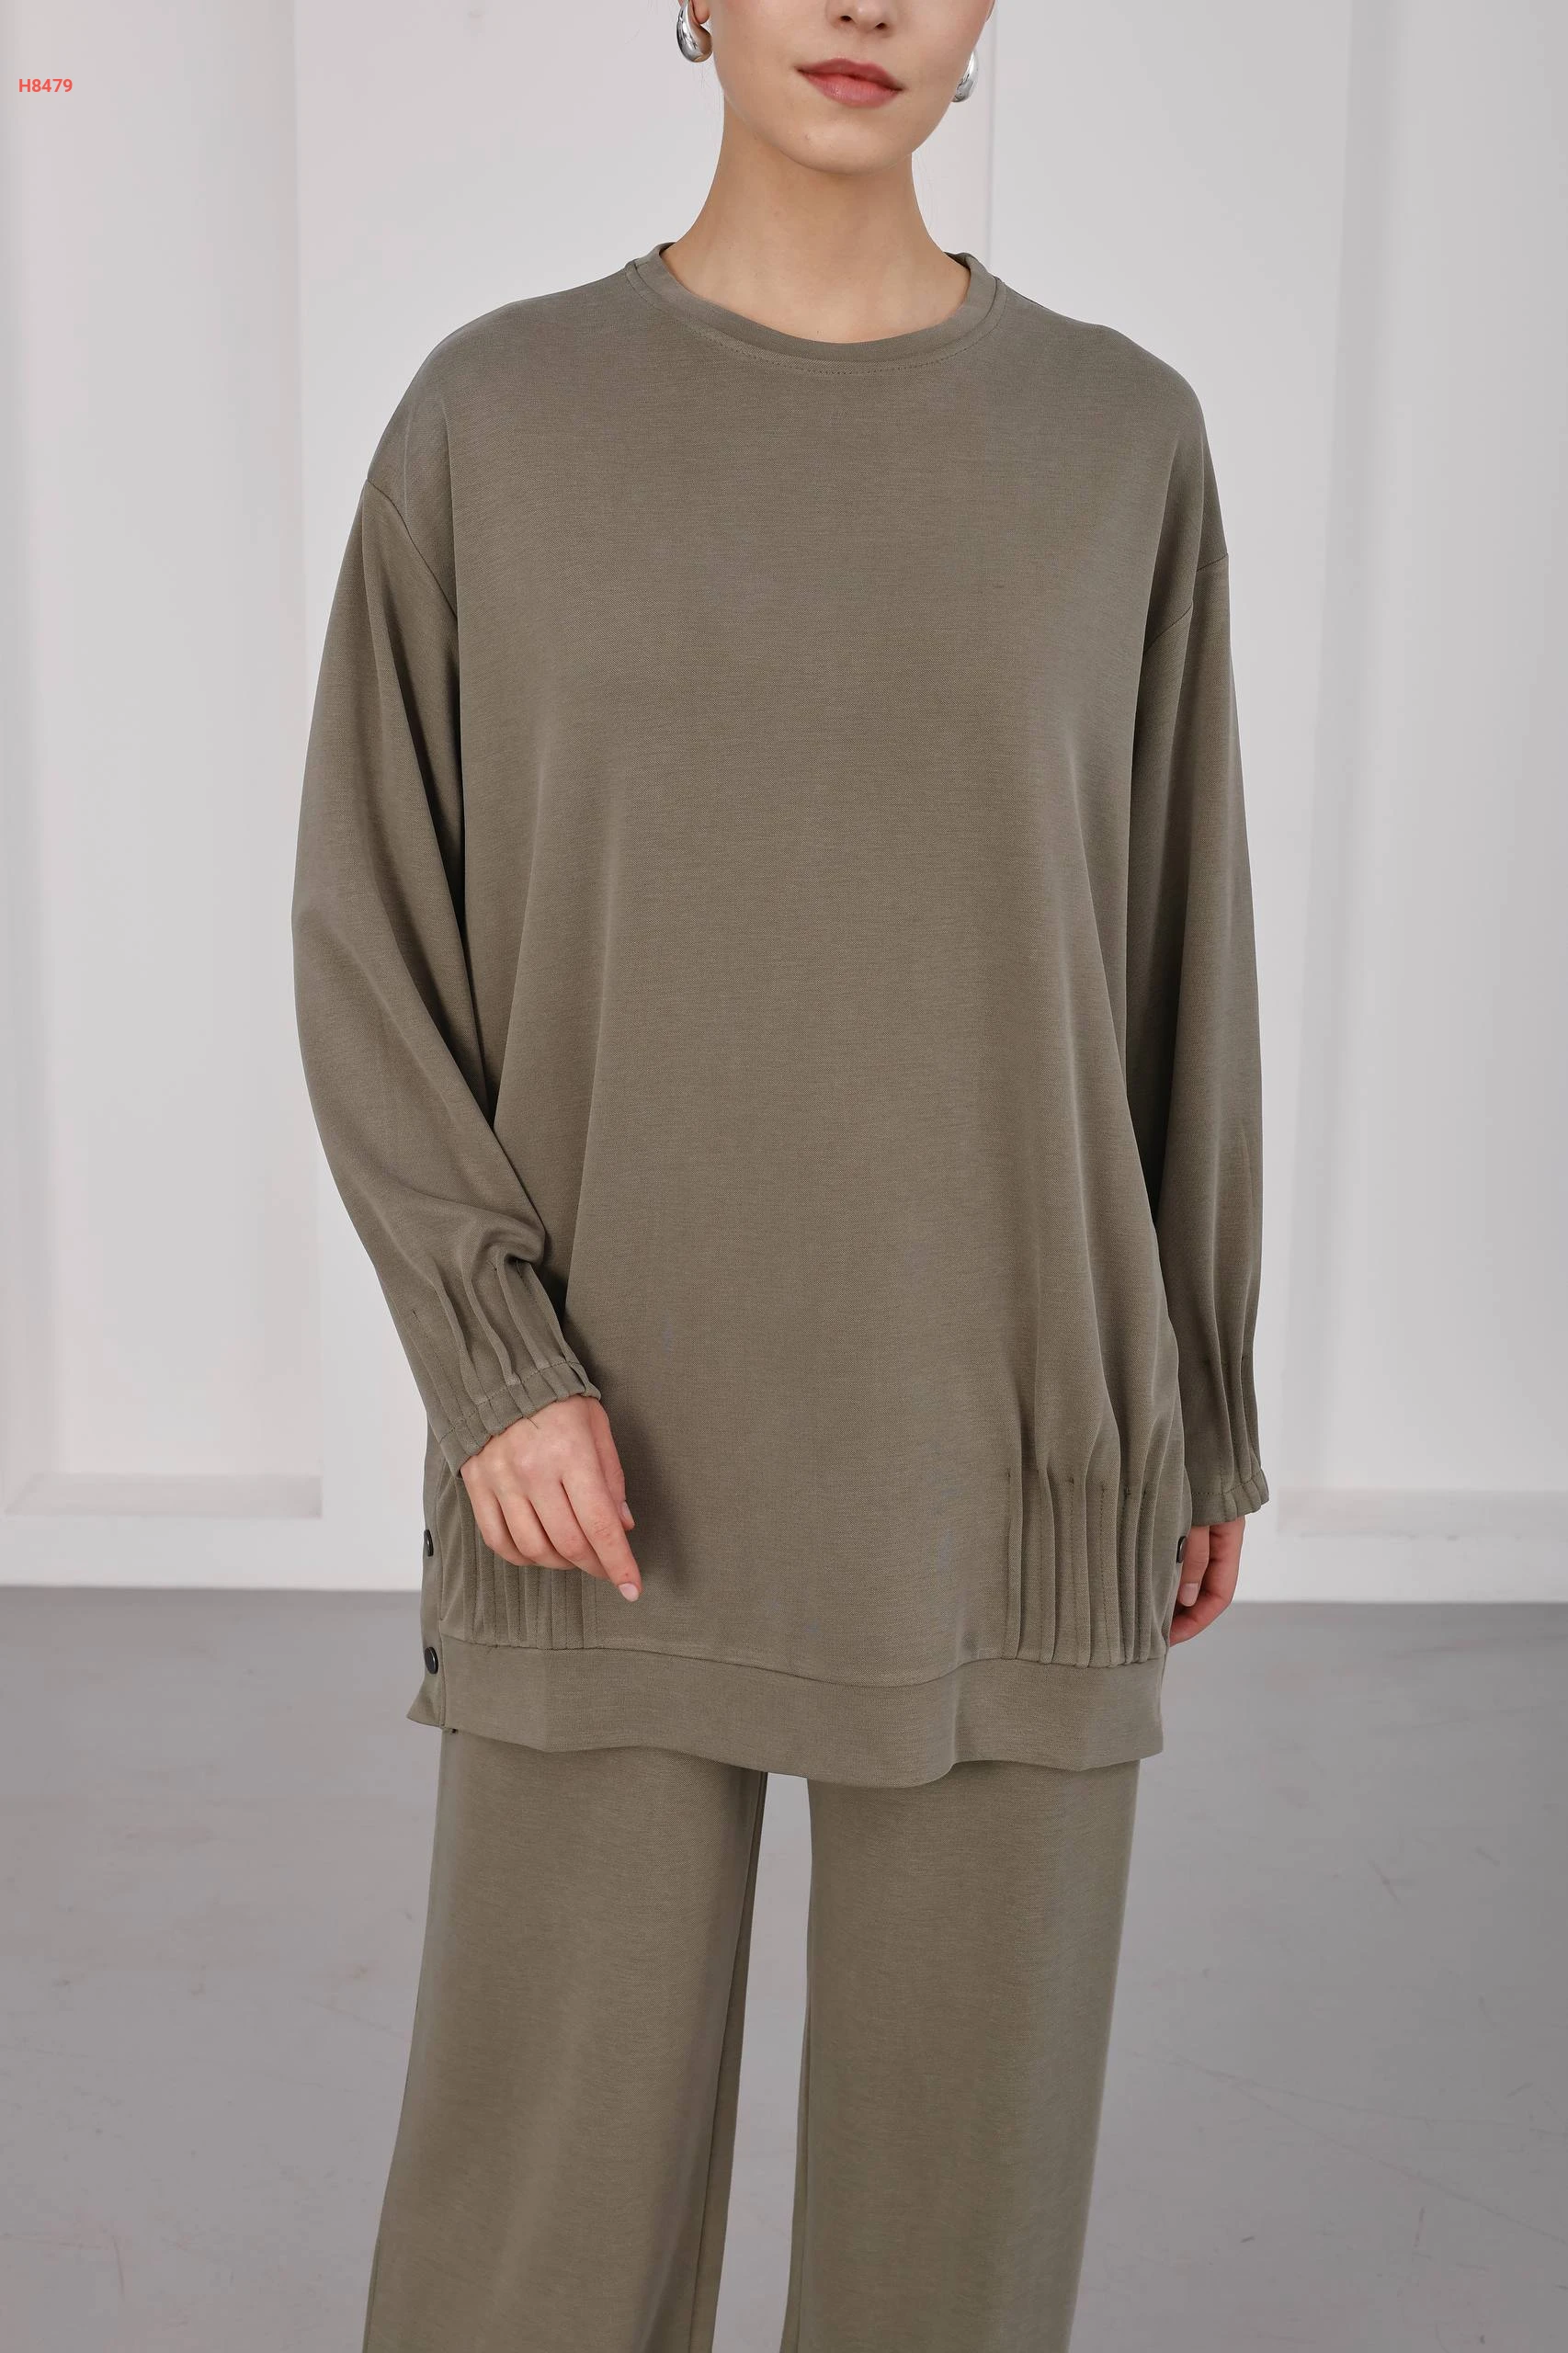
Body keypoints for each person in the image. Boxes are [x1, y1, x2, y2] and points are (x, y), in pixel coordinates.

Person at [290, 4, 1267, 2346]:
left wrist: (1200, 1404)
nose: (861, 8)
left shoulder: (1118, 442)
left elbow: (1178, 948)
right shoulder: (495, 421)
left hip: (1015, 1442)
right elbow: (368, 928)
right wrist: (492, 1364)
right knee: (532, 2255)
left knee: (956, 2258)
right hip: (596, 1458)